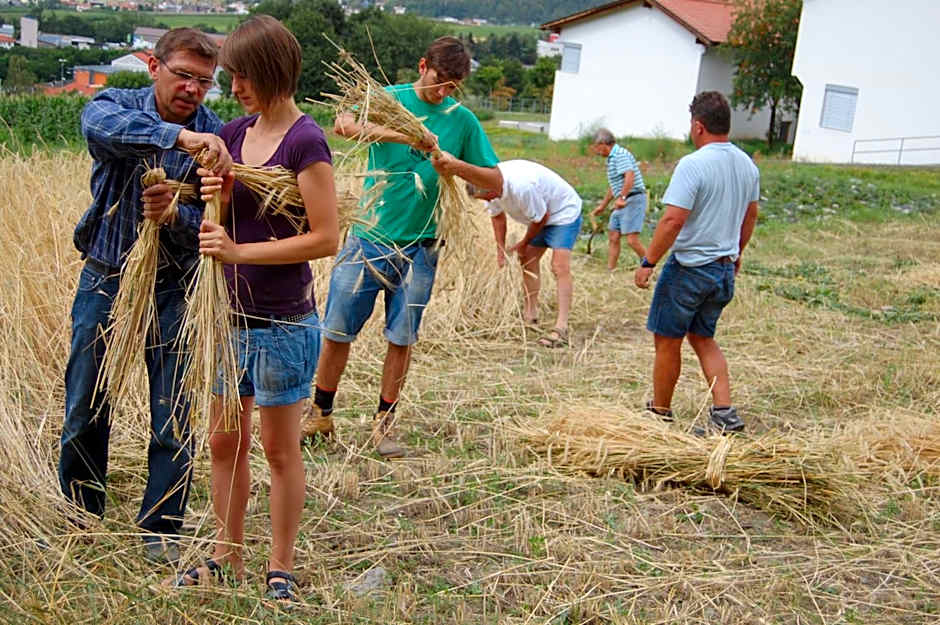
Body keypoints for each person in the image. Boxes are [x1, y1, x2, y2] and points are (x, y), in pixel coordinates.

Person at [167, 16, 338, 603]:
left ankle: (280, 563)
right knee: (223, 442)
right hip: (226, 318)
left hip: (281, 321)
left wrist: (240, 251)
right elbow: (212, 204)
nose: (233, 86)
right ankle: (225, 553)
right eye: (231, 76)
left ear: (272, 72)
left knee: (278, 448)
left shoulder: (306, 141)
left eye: (243, 74)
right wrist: (181, 200)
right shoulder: (234, 134)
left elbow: (325, 238)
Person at [60, 28, 232, 564]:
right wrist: (176, 140)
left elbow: (216, 227)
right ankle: (81, 509)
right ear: (154, 66)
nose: (192, 89)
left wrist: (173, 215)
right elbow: (99, 127)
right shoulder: (119, 105)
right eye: (183, 75)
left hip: (177, 285)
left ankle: (161, 526)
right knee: (85, 400)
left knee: (173, 408)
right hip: (107, 274)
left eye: (204, 81)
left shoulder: (218, 136)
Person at [300, 36, 502, 457]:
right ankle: (320, 414)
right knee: (337, 330)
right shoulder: (391, 98)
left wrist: (453, 165)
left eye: (452, 86)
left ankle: (383, 424)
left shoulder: (461, 121)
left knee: (402, 337)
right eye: (439, 80)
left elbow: (494, 180)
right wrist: (406, 135)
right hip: (369, 236)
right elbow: (344, 123)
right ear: (423, 64)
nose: (444, 91)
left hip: (421, 246)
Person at [634, 91, 759, 433]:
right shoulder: (746, 165)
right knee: (703, 338)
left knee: (667, 339)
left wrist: (648, 261)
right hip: (722, 269)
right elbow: (750, 216)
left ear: (698, 126)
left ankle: (660, 411)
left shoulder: (693, 164)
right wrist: (736, 253)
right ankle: (724, 412)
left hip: (690, 269)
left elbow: (673, 220)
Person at [467, 159, 583, 348]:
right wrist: (501, 251)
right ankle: (530, 314)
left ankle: (561, 327)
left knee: (559, 266)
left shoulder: (522, 187)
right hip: (541, 213)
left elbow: (541, 218)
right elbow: (497, 218)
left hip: (563, 212)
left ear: (490, 188)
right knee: (527, 260)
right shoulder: (488, 187)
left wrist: (523, 243)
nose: (488, 202)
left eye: (487, 198)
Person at [589, 128, 647, 270]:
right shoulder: (611, 159)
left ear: (603, 143)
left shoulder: (620, 155)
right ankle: (611, 271)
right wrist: (602, 206)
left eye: (597, 147)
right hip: (623, 200)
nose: (597, 151)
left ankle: (649, 266)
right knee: (613, 236)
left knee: (632, 240)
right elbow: (614, 186)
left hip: (633, 199)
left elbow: (629, 176)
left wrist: (622, 197)